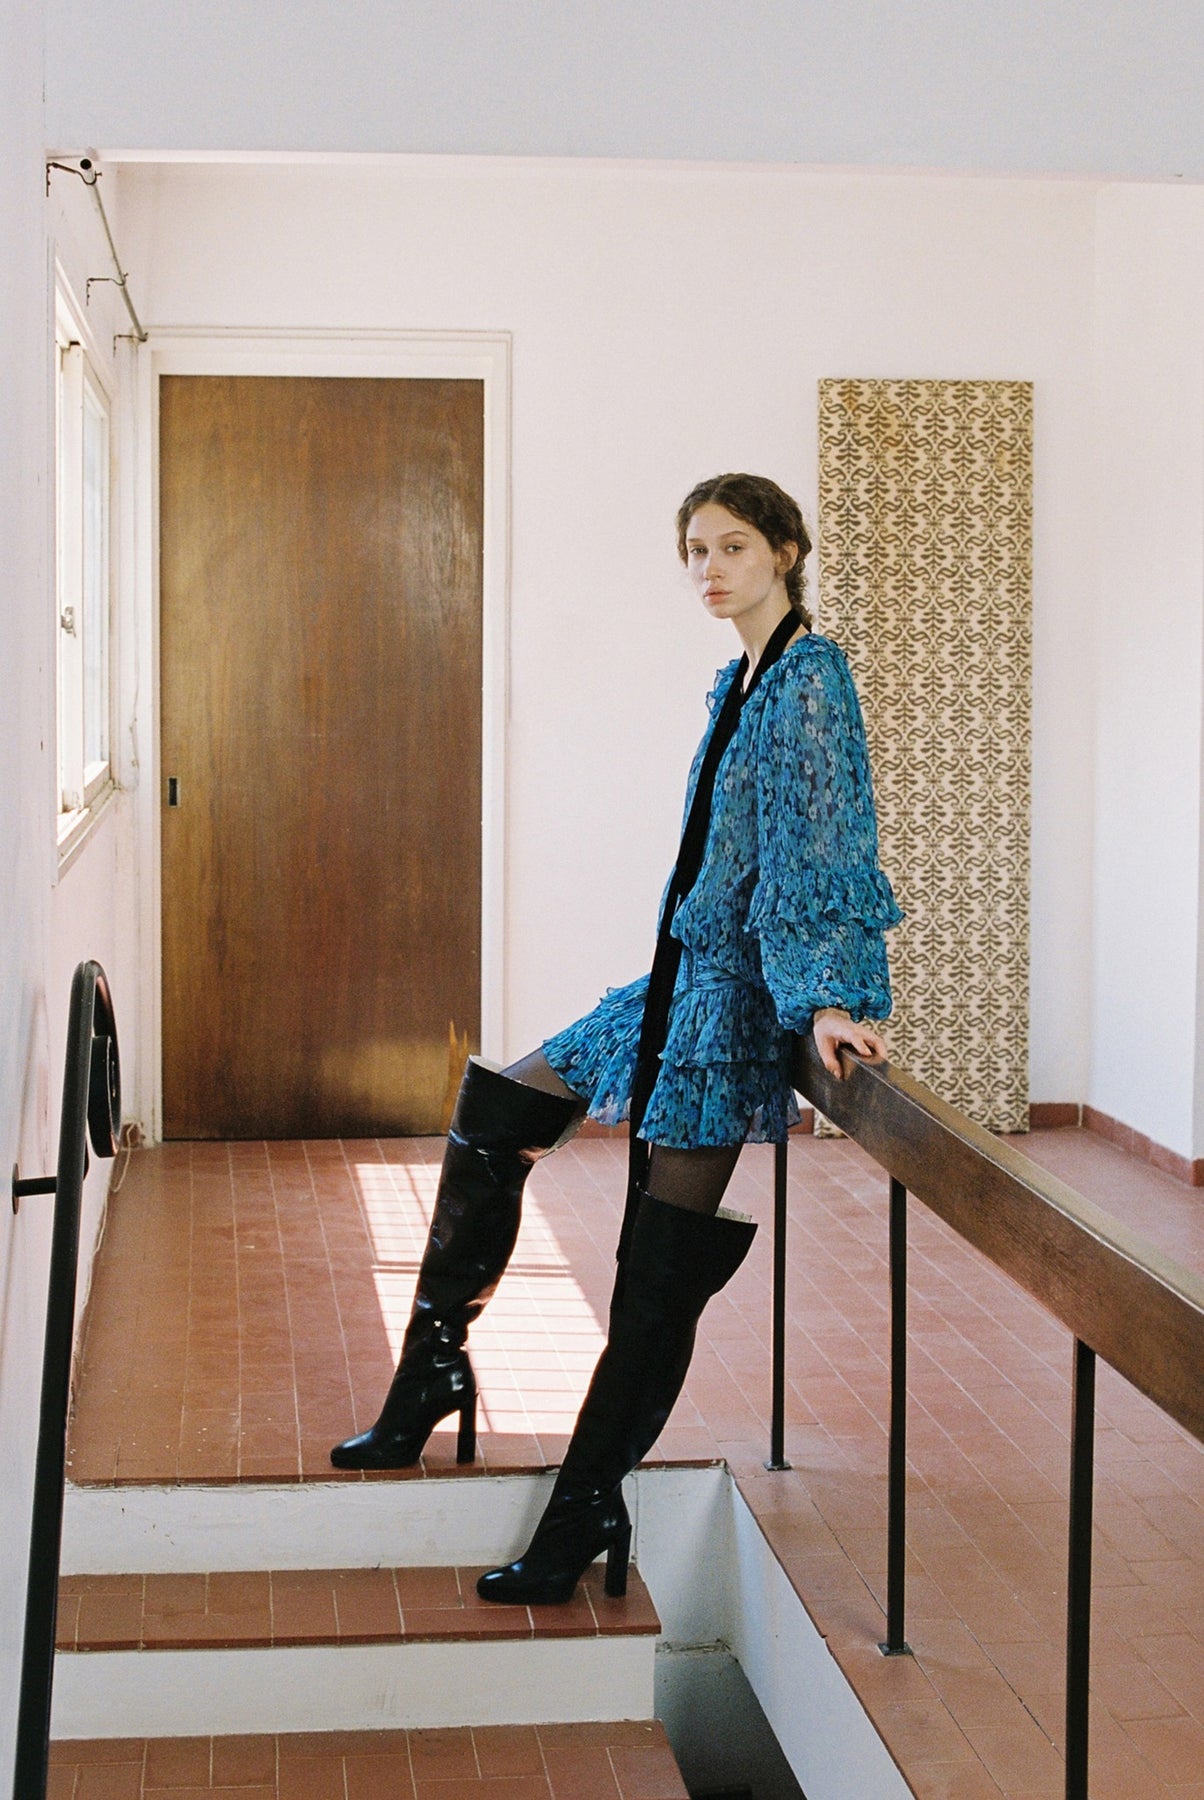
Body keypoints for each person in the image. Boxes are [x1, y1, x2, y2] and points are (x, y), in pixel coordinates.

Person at [331, 473, 902, 1606]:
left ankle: (584, 1507)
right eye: (695, 550)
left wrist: (827, 998)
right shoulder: (741, 676)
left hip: (729, 1006)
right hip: (678, 978)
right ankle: (431, 1374)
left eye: (733, 547)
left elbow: (825, 846)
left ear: (785, 553)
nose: (710, 570)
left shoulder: (810, 680)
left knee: (655, 1272)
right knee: (499, 1106)